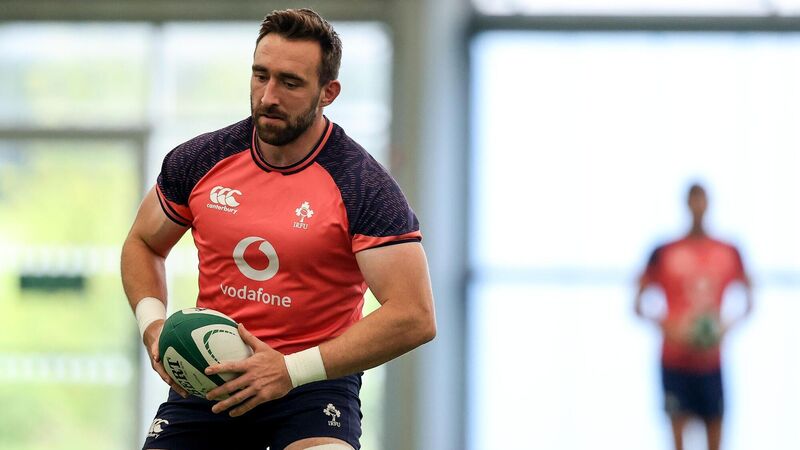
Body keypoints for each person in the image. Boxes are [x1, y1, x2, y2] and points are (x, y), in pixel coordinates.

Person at [120, 8, 436, 450]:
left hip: (312, 383)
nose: (268, 96)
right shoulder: (201, 160)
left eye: (290, 83)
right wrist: (152, 325)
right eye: (260, 76)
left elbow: (414, 315)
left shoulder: (363, 186)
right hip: (212, 374)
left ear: (328, 92)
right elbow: (143, 242)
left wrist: (290, 371)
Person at [634, 183, 753, 450]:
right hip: (674, 362)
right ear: (686, 203)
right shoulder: (664, 251)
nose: (698, 206)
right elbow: (637, 305)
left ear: (708, 203)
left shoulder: (728, 251)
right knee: (677, 439)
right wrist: (669, 326)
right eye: (694, 200)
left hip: (711, 363)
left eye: (702, 200)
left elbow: (749, 301)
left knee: (716, 437)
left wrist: (726, 325)